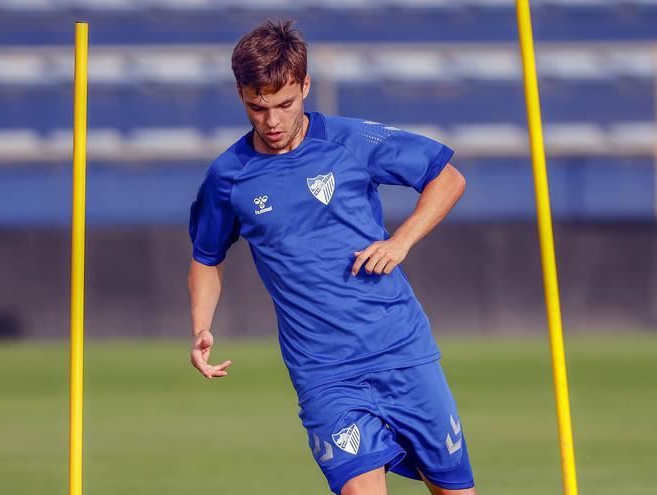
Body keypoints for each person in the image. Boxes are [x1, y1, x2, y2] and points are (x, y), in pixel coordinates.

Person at [188, 19, 476, 495]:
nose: (273, 121)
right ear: (241, 94)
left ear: (306, 85)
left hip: (401, 351)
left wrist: (399, 242)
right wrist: (201, 325)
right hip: (323, 372)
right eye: (258, 107)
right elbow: (206, 257)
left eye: (285, 103)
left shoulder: (351, 141)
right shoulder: (228, 176)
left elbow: (448, 178)